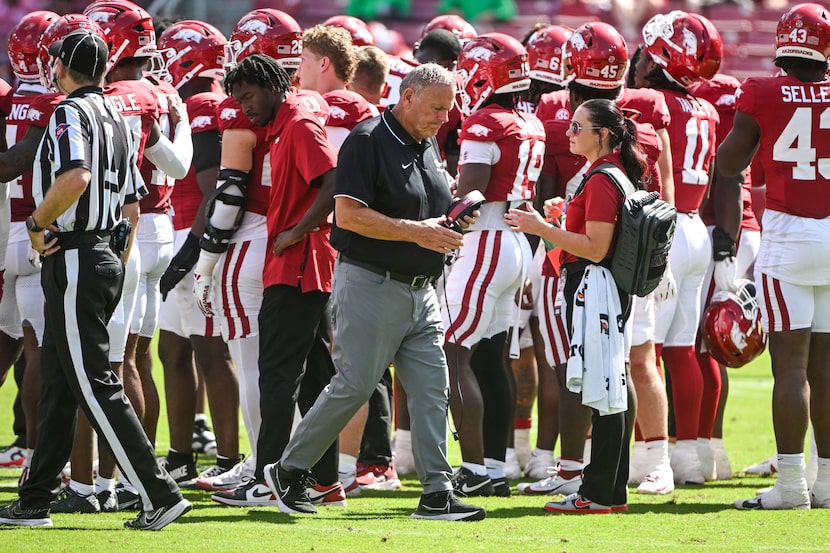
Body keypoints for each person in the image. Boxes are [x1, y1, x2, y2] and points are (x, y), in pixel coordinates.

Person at [266, 63, 486, 521]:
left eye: (448, 110)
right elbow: (347, 216)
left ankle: (436, 492)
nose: (443, 118)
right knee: (354, 385)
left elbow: (429, 210)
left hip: (421, 290)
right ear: (407, 96)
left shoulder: (425, 144)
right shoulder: (366, 140)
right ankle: (288, 471)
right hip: (371, 283)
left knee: (431, 390)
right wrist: (418, 232)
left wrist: (452, 220)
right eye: (435, 108)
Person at [0, 28, 190, 530]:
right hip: (106, 252)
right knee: (63, 378)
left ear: (61, 66)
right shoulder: (120, 116)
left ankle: (158, 492)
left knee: (94, 381)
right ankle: (37, 497)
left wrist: (37, 224)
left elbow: (76, 177)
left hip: (79, 253)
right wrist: (115, 260)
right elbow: (131, 203)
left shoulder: (70, 112)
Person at [505, 97, 645, 513]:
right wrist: (557, 226)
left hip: (597, 287)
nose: (568, 134)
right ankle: (607, 488)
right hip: (599, 286)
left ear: (602, 134)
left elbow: (597, 249)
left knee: (603, 388)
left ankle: (600, 492)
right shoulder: (605, 174)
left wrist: (543, 227)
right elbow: (581, 245)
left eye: (577, 128)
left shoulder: (604, 178)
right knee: (609, 385)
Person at [716, 2, 830, 511]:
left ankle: (790, 485)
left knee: (791, 370)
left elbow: (728, 163)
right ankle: (827, 482)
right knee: (827, 371)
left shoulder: (761, 91)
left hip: (787, 238)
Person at [636, 10, 722, 485]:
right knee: (683, 349)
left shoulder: (650, 100)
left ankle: (649, 457)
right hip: (694, 228)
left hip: (663, 228)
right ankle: (692, 455)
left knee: (643, 351)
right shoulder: (707, 109)